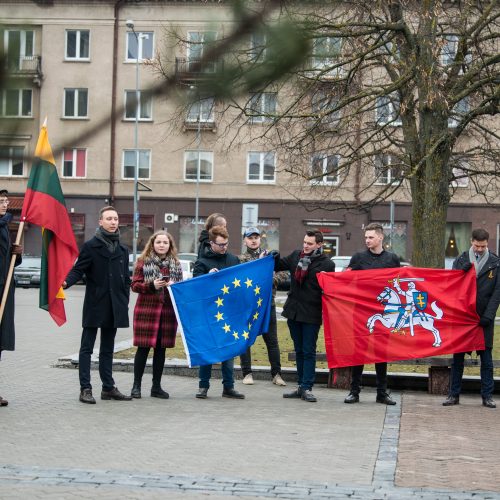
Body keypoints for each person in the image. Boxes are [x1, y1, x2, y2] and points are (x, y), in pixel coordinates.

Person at [64, 206, 132, 404]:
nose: (113, 222)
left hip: (115, 305)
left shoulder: (122, 249)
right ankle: (85, 388)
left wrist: (125, 297)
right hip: (96, 303)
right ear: (100, 222)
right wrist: (66, 282)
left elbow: (125, 278)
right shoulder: (90, 246)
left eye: (115, 219)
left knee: (107, 349)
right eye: (109, 219)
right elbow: (78, 270)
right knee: (87, 348)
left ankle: (108, 388)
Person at [443, 228, 500, 409]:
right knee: (457, 359)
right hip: (463, 318)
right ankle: (454, 394)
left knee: (487, 361)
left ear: (487, 243)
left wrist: (489, 316)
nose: (480, 249)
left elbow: (497, 293)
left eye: (483, 246)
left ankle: (487, 396)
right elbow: (451, 286)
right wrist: (461, 271)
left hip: (484, 319)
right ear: (471, 241)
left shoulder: (495, 263)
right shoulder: (460, 260)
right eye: (477, 246)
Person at [344, 223, 400, 405]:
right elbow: (345, 279)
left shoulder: (392, 259)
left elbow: (397, 284)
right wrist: (327, 278)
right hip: (361, 313)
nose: (367, 240)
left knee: (381, 353)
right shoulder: (358, 258)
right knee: (358, 352)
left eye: (371, 237)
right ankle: (354, 391)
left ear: (380, 238)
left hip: (384, 313)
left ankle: (382, 393)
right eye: (366, 237)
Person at [276, 230, 335, 402]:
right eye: (304, 242)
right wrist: (273, 256)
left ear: (319, 245)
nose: (305, 246)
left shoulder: (327, 264)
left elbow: (329, 289)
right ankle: (300, 386)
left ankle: (307, 387)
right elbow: (277, 265)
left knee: (308, 351)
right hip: (293, 311)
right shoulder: (296, 256)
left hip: (311, 313)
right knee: (299, 350)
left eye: (309, 243)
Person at [130, 231, 183, 400]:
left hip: (167, 312)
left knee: (161, 350)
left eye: (165, 243)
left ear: (170, 245)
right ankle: (136, 386)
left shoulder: (176, 263)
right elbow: (134, 285)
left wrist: (175, 285)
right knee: (143, 349)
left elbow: (182, 288)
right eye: (158, 242)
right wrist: (152, 285)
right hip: (147, 311)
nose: (161, 245)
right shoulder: (142, 261)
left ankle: (156, 387)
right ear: (152, 244)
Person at [194, 225, 245, 399]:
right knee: (208, 349)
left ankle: (228, 387)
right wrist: (207, 276)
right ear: (211, 243)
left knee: (229, 350)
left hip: (229, 312)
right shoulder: (202, 262)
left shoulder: (233, 259)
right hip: (209, 313)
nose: (224, 247)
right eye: (221, 244)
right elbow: (195, 287)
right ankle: (203, 386)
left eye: (226, 244)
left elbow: (240, 282)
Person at [238, 227, 287, 387]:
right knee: (246, 339)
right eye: (250, 237)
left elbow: (285, 273)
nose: (253, 240)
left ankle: (277, 374)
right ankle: (247, 373)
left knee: (272, 340)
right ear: (245, 240)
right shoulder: (241, 259)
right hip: (248, 306)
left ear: (260, 239)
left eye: (256, 237)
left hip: (267, 305)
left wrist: (273, 277)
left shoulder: (270, 256)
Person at [0, 189, 22, 407]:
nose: (5, 205)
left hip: (4, 290)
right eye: (1, 201)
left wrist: (17, 254)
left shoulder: (5, 228)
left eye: (6, 201)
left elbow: (6, 261)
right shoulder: (3, 225)